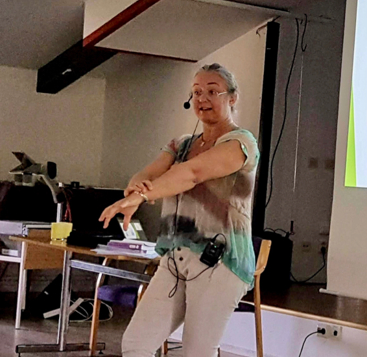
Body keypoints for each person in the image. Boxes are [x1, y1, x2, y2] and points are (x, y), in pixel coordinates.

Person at [99, 63, 260, 357]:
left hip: (220, 261)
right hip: (175, 257)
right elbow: (146, 175)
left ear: (232, 98)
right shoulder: (181, 144)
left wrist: (142, 195)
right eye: (196, 92)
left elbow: (191, 174)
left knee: (197, 351)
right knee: (135, 344)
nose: (202, 98)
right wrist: (134, 191)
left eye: (212, 91)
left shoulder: (241, 142)